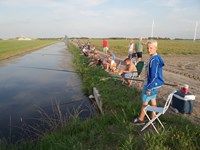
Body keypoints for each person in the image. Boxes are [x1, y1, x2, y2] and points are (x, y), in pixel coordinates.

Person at [133, 40, 165, 125]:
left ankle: (141, 119)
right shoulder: (154, 57)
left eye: (151, 48)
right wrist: (143, 82)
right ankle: (153, 119)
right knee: (153, 100)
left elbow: (154, 76)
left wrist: (149, 88)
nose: (149, 50)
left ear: (156, 48)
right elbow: (148, 74)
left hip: (151, 85)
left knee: (145, 103)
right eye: (147, 48)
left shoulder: (154, 60)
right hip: (154, 85)